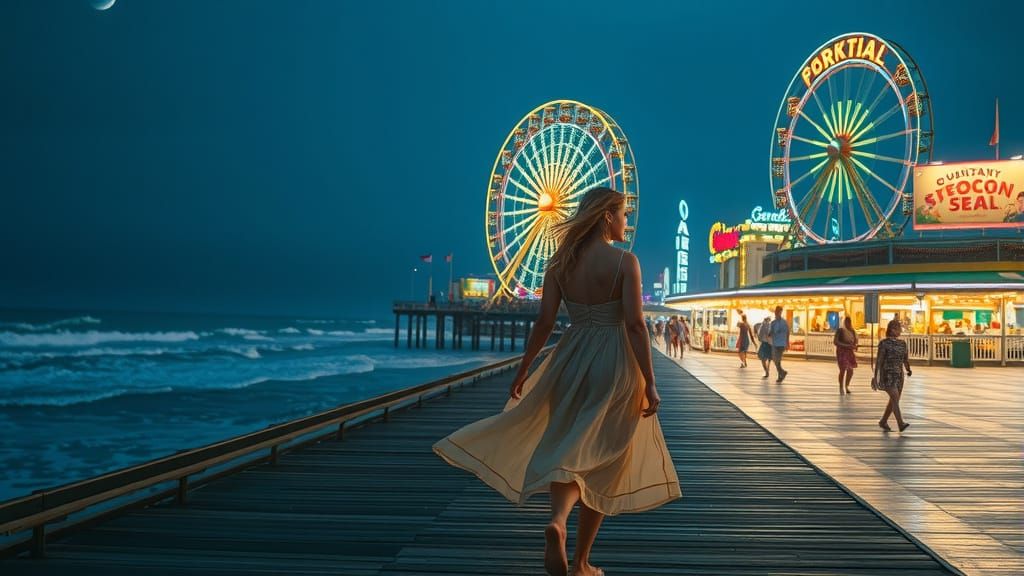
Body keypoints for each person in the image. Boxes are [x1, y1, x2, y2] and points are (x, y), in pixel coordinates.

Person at [433, 187, 681, 576]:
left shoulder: (559, 263)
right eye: (622, 214)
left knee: (568, 445)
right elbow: (634, 325)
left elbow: (545, 322)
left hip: (569, 358)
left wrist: (524, 367)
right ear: (605, 217)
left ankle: (558, 520)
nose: (626, 221)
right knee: (605, 455)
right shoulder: (625, 263)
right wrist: (650, 380)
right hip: (614, 362)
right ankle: (581, 561)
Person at [872, 321, 912, 432]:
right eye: (899, 328)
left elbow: (905, 359)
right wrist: (876, 376)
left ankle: (883, 421)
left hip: (899, 375)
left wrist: (908, 369)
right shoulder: (884, 343)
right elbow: (879, 361)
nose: (900, 331)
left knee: (894, 400)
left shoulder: (902, 343)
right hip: (888, 374)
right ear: (892, 329)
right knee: (894, 397)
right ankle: (900, 423)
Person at [833, 316, 858, 394]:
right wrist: (846, 346)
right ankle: (841, 387)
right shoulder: (840, 330)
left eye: (849, 321)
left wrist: (854, 346)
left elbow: (854, 342)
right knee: (843, 369)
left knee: (850, 370)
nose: (848, 323)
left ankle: (846, 386)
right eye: (846, 321)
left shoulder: (853, 331)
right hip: (842, 352)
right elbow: (836, 342)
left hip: (849, 352)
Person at [769, 306, 789, 383]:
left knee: (776, 360)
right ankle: (781, 374)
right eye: (777, 311)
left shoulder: (783, 322)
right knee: (776, 360)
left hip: (780, 343)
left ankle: (781, 373)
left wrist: (787, 342)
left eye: (778, 311)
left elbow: (787, 333)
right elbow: (771, 332)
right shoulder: (774, 323)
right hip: (776, 343)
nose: (777, 313)